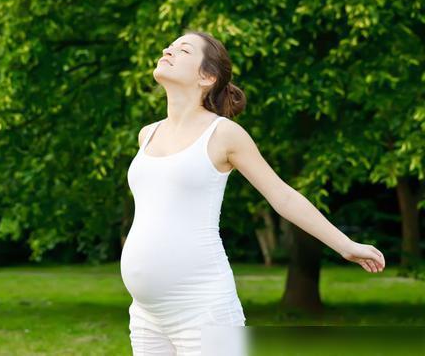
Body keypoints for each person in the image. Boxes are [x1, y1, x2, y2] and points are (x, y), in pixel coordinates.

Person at [119, 30, 386, 355]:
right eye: (170, 46)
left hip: (203, 309)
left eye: (183, 49)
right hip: (146, 314)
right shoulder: (147, 134)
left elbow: (282, 196)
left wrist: (345, 245)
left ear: (207, 76)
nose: (168, 50)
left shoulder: (223, 134)